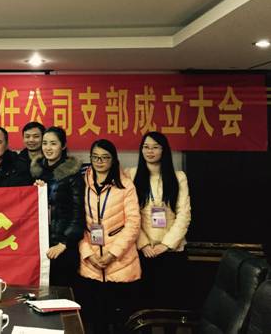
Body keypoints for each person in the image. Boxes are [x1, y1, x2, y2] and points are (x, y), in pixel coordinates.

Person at [78, 139, 141, 334]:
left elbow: (133, 224)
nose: (99, 161)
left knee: (121, 322)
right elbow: (78, 224)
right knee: (96, 322)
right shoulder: (81, 183)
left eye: (105, 157)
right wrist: (89, 254)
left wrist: (112, 254)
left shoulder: (126, 186)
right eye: (95, 157)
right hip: (91, 265)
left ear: (113, 160)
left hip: (121, 263)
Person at [127, 131, 191, 307]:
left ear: (164, 150)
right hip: (142, 251)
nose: (150, 151)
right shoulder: (131, 175)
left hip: (172, 251)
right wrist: (143, 244)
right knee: (143, 304)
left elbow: (184, 214)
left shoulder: (179, 177)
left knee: (170, 303)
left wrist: (166, 244)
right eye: (146, 147)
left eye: (155, 147)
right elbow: (129, 215)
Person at [30, 127, 84, 286]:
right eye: (45, 143)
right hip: (41, 242)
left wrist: (64, 243)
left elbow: (78, 213)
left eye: (53, 143)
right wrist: (34, 192)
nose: (48, 148)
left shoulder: (72, 175)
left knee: (62, 290)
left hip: (63, 245)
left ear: (63, 145)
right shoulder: (37, 172)